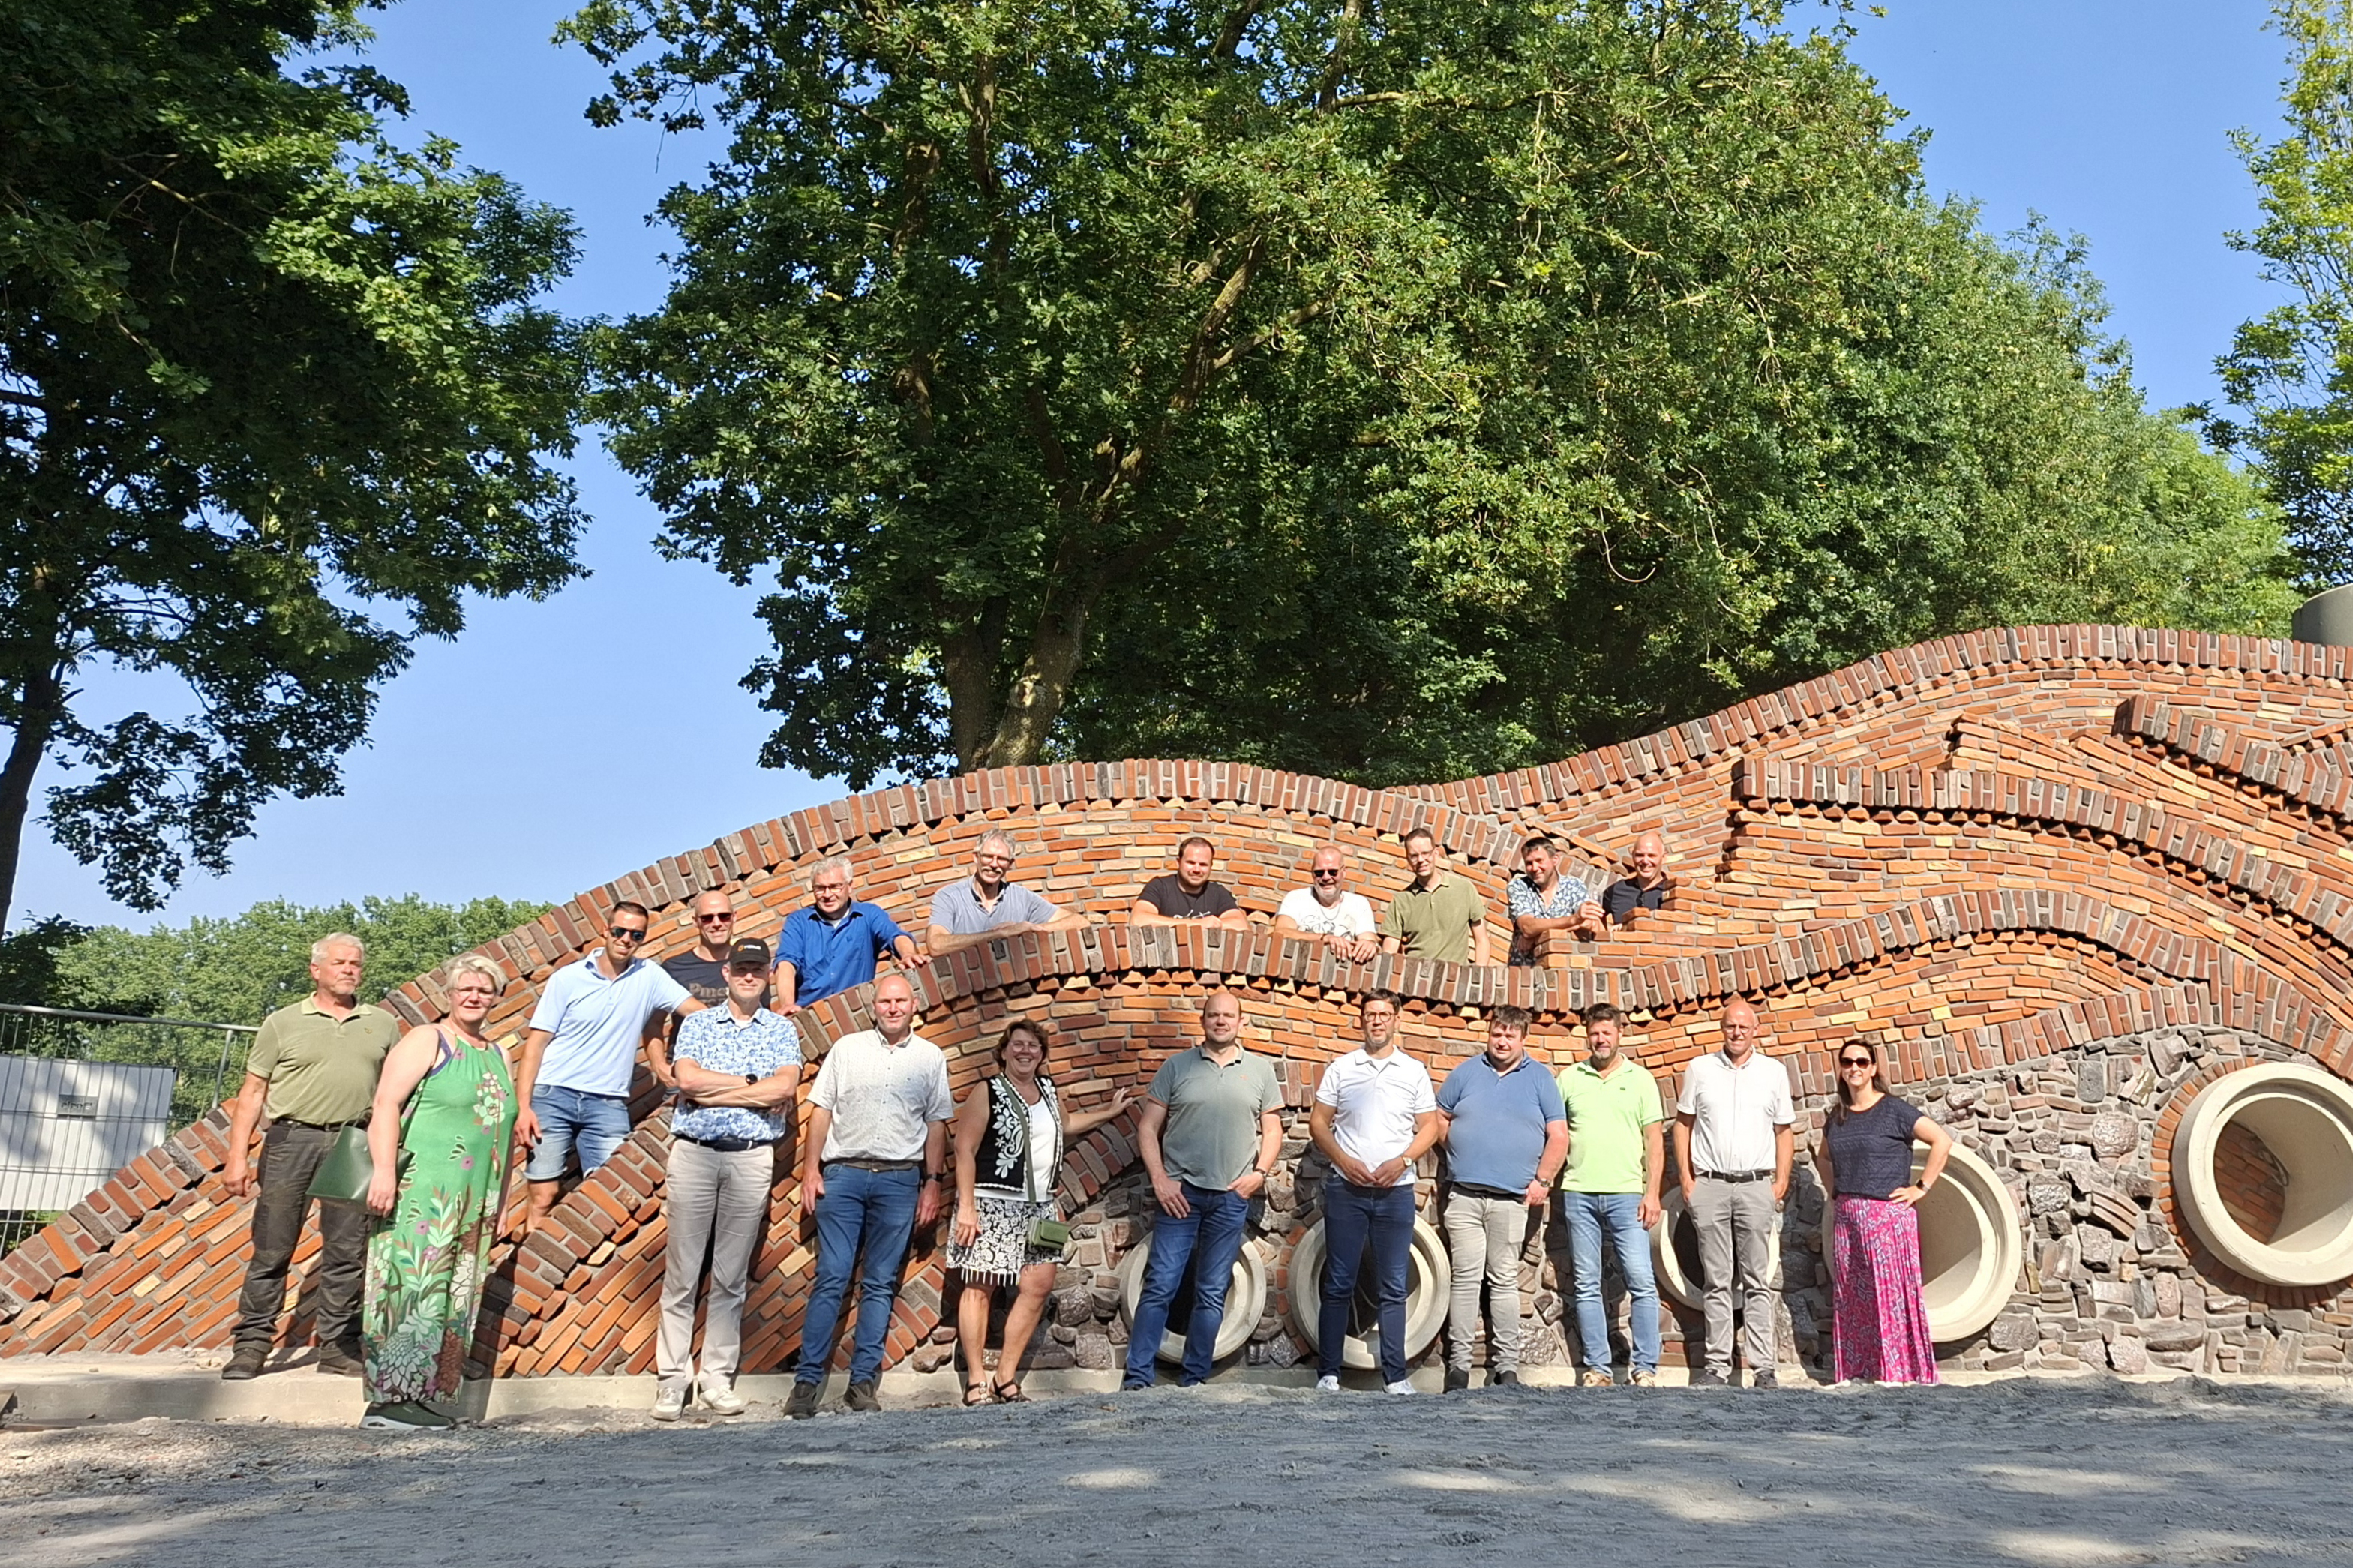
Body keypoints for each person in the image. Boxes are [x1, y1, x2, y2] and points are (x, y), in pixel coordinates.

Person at [221, 934, 403, 1381]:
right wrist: (236, 1157)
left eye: (356, 964)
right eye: (339, 963)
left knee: (347, 1251)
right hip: (290, 1141)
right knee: (272, 1247)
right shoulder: (282, 1023)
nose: (348, 970)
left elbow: (395, 1094)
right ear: (315, 970)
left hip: (352, 1145)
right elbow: (253, 1092)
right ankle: (251, 1345)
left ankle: (338, 1346)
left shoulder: (381, 1024)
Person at [356, 954, 518, 1429]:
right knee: (410, 1284)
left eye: (485, 990)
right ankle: (388, 1402)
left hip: (475, 1200)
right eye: (465, 989)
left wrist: (502, 1200)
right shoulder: (428, 1039)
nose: (474, 997)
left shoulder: (497, 1052)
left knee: (453, 1294)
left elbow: (500, 1133)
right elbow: (386, 1103)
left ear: (496, 997)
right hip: (423, 1191)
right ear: (448, 994)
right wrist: (384, 1172)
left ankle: (426, 1392)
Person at [788, 972, 955, 1418]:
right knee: (832, 1277)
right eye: (885, 1001)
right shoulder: (846, 1049)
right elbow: (821, 1112)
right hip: (842, 1176)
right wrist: (810, 1170)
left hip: (899, 1180)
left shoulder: (929, 1058)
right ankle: (806, 1383)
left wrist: (932, 1182)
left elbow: (937, 1123)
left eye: (901, 1001)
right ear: (874, 1006)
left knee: (880, 1283)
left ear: (913, 1006)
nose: (893, 1008)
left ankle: (863, 1384)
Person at [653, 937, 804, 1420]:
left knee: (730, 1276)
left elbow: (784, 1087)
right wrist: (751, 1089)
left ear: (766, 976)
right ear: (727, 972)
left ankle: (716, 1379)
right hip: (695, 1155)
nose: (748, 976)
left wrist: (717, 1092)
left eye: (757, 970)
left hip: (750, 1157)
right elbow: (688, 1082)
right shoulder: (697, 1023)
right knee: (682, 1272)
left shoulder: (781, 1031)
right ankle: (672, 1381)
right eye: (741, 968)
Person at [947, 1019, 1135, 1405]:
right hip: (990, 1202)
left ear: (1042, 1054)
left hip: (1039, 1207)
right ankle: (976, 1381)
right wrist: (967, 1206)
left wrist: (1108, 1113)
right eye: (1017, 1044)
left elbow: (1065, 1125)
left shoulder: (1048, 1090)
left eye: (1033, 1046)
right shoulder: (989, 1091)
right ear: (1004, 1051)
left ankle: (1005, 1376)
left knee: (1038, 1285)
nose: (1025, 1051)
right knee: (980, 1286)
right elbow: (964, 1149)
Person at [1122, 989, 1283, 1390]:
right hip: (1182, 1195)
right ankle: (1137, 1379)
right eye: (1214, 1015)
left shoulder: (1260, 1071)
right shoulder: (1177, 1067)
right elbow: (1147, 1128)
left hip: (1231, 1196)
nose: (1221, 1021)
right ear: (1203, 1020)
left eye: (1229, 1015)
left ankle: (1194, 1381)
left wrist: (1260, 1173)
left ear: (1241, 1021)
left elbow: (1273, 1129)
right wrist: (1160, 1179)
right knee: (1161, 1284)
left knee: (1212, 1291)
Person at [512, 901, 704, 1231]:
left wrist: (746, 1027)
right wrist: (523, 1106)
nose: (626, 939)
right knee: (544, 1195)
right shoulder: (568, 979)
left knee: (610, 1198)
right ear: (605, 931)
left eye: (635, 934)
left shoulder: (650, 976)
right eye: (619, 931)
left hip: (607, 1102)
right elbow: (536, 1045)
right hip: (553, 1095)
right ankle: (530, 1279)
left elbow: (698, 1013)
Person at [1310, 990, 1441, 1395]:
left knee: (1393, 1284)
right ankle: (1328, 1373)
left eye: (1385, 1014)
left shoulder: (1413, 1071)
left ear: (1396, 1020)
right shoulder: (1342, 1068)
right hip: (1346, 1190)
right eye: (1370, 1015)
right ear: (1361, 1021)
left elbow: (1430, 1127)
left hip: (1396, 1190)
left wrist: (1402, 1162)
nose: (1377, 1021)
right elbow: (1319, 1122)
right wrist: (1343, 1159)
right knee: (1338, 1281)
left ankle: (1395, 1376)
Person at [1435, 1004, 1566, 1392]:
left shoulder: (1540, 1079)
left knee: (1504, 1281)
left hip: (1512, 1200)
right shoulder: (1466, 1073)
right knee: (1465, 1280)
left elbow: (1558, 1136)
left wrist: (1543, 1179)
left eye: (1510, 1035)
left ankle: (1506, 1368)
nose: (1502, 1040)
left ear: (1523, 1038)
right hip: (1464, 1197)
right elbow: (1438, 1118)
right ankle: (1457, 1367)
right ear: (1488, 1034)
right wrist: (1455, 1149)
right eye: (1497, 1033)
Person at [1672, 998, 1794, 1387]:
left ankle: (1763, 1368)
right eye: (1730, 1026)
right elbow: (1683, 1125)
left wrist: (1781, 1181)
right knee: (1717, 1279)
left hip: (1757, 1184)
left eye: (1744, 1026)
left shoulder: (1773, 1073)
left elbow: (1784, 1131)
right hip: (1711, 1184)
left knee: (1758, 1279)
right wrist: (1688, 1180)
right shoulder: (1701, 1070)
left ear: (1755, 1030)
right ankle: (1717, 1366)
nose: (1737, 1032)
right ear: (1722, 1029)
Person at [1820, 1037, 1953, 1385]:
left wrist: (1920, 1188)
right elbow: (1823, 1157)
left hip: (1887, 1214)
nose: (1855, 1068)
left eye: (1862, 1062)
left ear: (1874, 1068)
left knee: (1889, 1294)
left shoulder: (1894, 1110)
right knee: (1852, 1296)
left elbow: (1942, 1140)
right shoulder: (1837, 1117)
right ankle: (1858, 1370)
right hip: (1848, 1215)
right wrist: (1834, 1190)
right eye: (1848, 1062)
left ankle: (1898, 1371)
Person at [1557, 1003, 1666, 1387]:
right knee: (1587, 1283)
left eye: (1608, 1032)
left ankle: (1645, 1368)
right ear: (1587, 1036)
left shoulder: (1641, 1080)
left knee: (1641, 1280)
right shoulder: (1569, 1079)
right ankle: (1598, 1369)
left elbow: (1655, 1142)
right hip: (1579, 1192)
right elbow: (1555, 1132)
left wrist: (1652, 1192)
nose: (1601, 1039)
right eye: (1594, 1033)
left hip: (1627, 1194)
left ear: (1620, 1034)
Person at [774, 857, 922, 1014]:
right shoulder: (798, 921)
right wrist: (787, 1004)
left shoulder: (868, 915)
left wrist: (908, 954)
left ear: (850, 886)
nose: (827, 894)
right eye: (820, 888)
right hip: (811, 1014)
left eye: (835, 887)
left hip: (858, 1012)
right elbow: (786, 963)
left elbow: (894, 935)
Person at [654, 892, 769, 1087]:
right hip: (688, 1074)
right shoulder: (674, 968)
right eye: (707, 918)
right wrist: (659, 1066)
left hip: (739, 1073)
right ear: (696, 922)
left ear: (734, 917)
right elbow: (653, 1023)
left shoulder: (750, 965)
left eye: (724, 916)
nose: (716, 923)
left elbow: (764, 1020)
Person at [926, 829, 1085, 955]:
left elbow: (1080, 922)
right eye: (988, 857)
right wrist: (1000, 934)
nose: (994, 864)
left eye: (1001, 859)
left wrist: (1032, 928)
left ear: (1010, 864)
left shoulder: (1021, 897)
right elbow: (936, 945)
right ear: (976, 857)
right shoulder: (948, 897)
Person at [1381, 827, 1487, 966]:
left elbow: (1482, 939)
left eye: (1425, 853)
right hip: (1415, 979)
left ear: (1436, 853)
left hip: (1456, 978)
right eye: (1414, 855)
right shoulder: (1401, 901)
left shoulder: (1464, 889)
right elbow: (1389, 951)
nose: (1421, 860)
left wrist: (1477, 976)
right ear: (1408, 859)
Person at [1506, 834, 1604, 964]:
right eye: (1529, 863)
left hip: (1565, 968)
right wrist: (1574, 920)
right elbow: (1527, 926)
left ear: (1555, 859)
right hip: (1524, 973)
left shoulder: (1574, 886)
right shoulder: (1519, 886)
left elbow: (1590, 924)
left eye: (1540, 861)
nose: (1535, 868)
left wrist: (1536, 936)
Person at [1274, 844, 1379, 964]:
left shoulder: (1359, 904)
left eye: (1333, 872)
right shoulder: (1296, 898)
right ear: (1312, 874)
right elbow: (1281, 933)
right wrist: (1324, 938)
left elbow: (1368, 940)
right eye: (1319, 873)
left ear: (1344, 872)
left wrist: (1369, 946)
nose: (1326, 877)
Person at [1129, 836, 1251, 928]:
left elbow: (1240, 925)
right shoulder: (1160, 887)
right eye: (1191, 863)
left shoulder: (1217, 893)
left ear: (1211, 867)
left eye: (1203, 864)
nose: (1197, 870)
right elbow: (1138, 920)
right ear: (1178, 862)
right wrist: (1197, 924)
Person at [1601, 832, 1676, 925]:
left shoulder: (1672, 892)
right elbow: (1596, 920)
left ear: (1664, 858)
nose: (1645, 861)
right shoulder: (1616, 890)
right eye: (1640, 855)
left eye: (1652, 856)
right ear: (1633, 856)